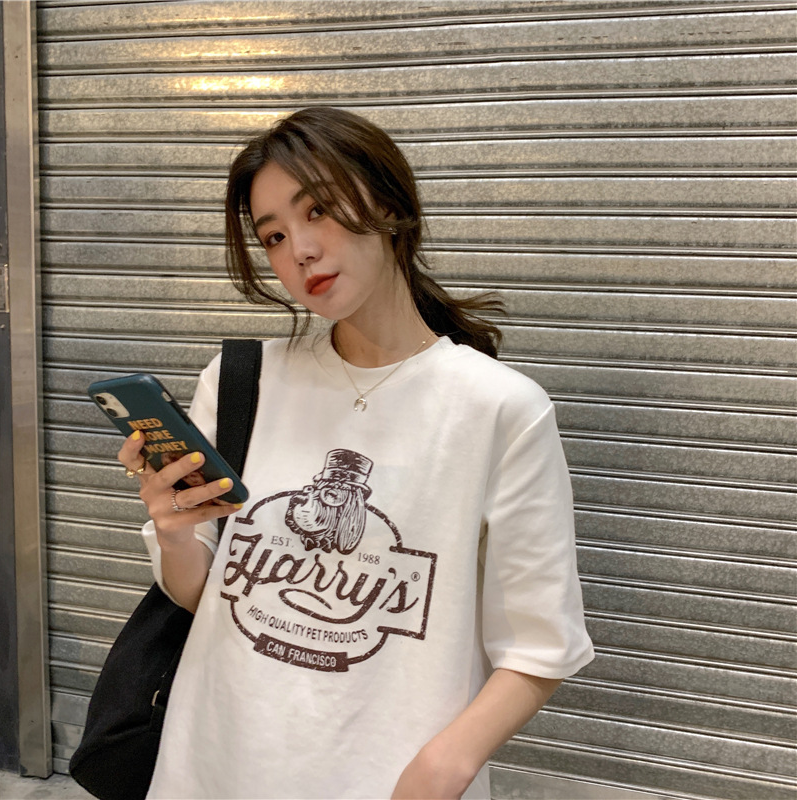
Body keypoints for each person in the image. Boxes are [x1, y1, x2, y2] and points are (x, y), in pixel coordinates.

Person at [117, 106, 594, 800]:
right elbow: (204, 597)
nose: (300, 251)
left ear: (390, 205)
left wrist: (446, 766)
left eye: (318, 210)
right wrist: (173, 530)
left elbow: (541, 644)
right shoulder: (242, 381)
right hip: (212, 765)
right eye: (274, 236)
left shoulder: (498, 410)